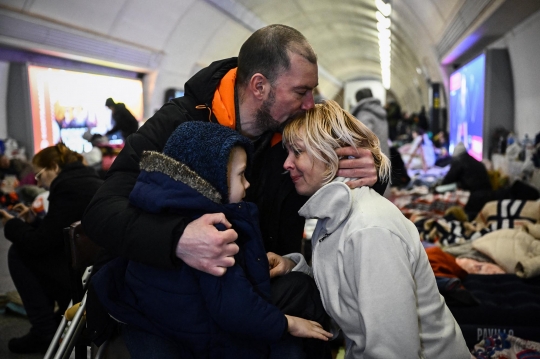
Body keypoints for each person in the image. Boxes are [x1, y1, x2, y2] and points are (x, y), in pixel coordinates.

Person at [83, 24, 383, 356]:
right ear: (259, 86)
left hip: (251, 282)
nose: (311, 104)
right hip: (174, 291)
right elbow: (100, 212)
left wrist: (374, 171)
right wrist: (178, 238)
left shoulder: (292, 134)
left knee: (306, 301)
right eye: (301, 91)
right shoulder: (178, 126)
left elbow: (339, 180)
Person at [92, 121, 332, 358]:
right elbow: (236, 310)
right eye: (240, 175)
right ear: (212, 179)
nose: (248, 184)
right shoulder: (212, 234)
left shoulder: (156, 211)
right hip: (200, 337)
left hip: (153, 323)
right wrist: (287, 323)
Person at [268, 99, 470, 358]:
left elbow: (394, 351)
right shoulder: (334, 216)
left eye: (297, 152)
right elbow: (345, 298)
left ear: (331, 155)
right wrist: (293, 268)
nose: (286, 163)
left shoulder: (369, 230)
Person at [0, 143, 103, 354]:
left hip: (82, 277)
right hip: (94, 268)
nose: (37, 181)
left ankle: (43, 331)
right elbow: (57, 233)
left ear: (54, 167)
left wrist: (11, 223)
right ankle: (51, 324)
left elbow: (40, 244)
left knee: (18, 253)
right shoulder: (86, 180)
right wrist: (33, 221)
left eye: (39, 175)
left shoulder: (67, 188)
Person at [350, 87, 389, 157]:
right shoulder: (380, 111)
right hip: (384, 156)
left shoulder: (363, 114)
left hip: (372, 161)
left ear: (358, 100)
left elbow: (362, 141)